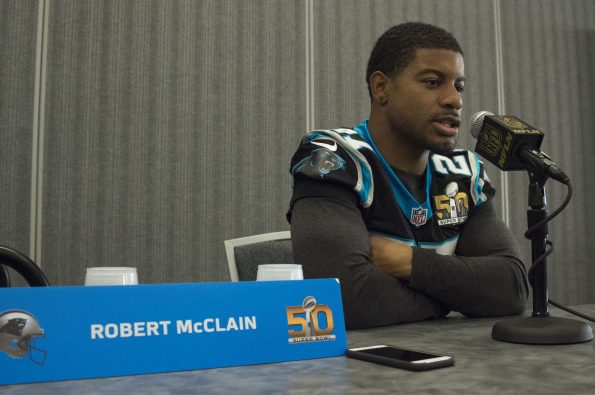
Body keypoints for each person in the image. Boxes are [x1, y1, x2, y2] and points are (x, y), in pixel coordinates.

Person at [287, 22, 528, 330]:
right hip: (356, 370)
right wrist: (450, 298)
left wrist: (408, 262)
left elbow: (511, 289)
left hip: (448, 366)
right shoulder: (334, 156)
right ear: (381, 88)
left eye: (459, 86)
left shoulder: (463, 171)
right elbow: (344, 298)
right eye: (432, 82)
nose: (455, 100)